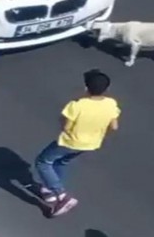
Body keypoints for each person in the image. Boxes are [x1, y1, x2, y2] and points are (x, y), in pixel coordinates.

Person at [34, 69, 121, 217]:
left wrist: (66, 129)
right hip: (91, 144)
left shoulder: (77, 105)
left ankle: (61, 195)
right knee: (62, 162)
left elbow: (66, 125)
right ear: (107, 89)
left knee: (43, 162)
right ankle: (50, 191)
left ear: (86, 88)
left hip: (70, 141)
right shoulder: (111, 103)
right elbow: (114, 126)